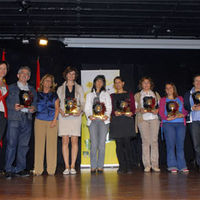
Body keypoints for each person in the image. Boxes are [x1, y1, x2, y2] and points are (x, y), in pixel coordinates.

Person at [5, 66, 37, 179]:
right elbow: (3, 103)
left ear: (29, 77)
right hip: (14, 119)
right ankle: (8, 169)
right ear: (18, 75)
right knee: (11, 144)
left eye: (27, 74)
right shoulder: (10, 88)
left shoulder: (32, 90)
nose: (25, 75)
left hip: (27, 119)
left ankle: (20, 168)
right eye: (22, 73)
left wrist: (33, 108)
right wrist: (12, 107)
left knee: (24, 146)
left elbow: (36, 104)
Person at [57, 66, 85, 175]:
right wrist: (60, 111)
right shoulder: (60, 88)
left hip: (75, 117)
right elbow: (57, 104)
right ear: (66, 75)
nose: (71, 76)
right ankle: (66, 166)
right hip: (64, 117)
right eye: (69, 73)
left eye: (73, 74)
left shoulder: (79, 88)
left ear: (75, 76)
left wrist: (80, 111)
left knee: (74, 141)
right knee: (64, 141)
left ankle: (72, 166)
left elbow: (83, 103)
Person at [85, 75, 112, 173]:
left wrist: (107, 115)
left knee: (101, 145)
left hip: (103, 121)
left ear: (103, 83)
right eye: (97, 81)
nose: (99, 83)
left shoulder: (106, 94)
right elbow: (87, 108)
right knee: (94, 145)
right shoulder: (89, 95)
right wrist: (89, 116)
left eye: (101, 81)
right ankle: (93, 166)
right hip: (92, 121)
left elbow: (109, 107)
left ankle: (100, 166)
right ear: (94, 82)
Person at [159, 83, 189, 173]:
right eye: (167, 88)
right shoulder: (163, 100)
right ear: (165, 90)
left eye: (170, 88)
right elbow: (161, 113)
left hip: (180, 123)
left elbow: (185, 111)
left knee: (180, 145)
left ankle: (182, 165)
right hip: (168, 124)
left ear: (174, 89)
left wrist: (182, 114)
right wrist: (166, 118)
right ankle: (172, 165)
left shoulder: (180, 99)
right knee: (170, 145)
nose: (168, 89)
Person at [109, 76, 136, 174]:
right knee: (119, 145)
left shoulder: (129, 94)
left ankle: (129, 166)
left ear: (123, 83)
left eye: (119, 82)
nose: (118, 84)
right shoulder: (112, 96)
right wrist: (113, 113)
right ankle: (122, 166)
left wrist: (131, 113)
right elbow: (110, 109)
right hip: (117, 122)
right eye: (116, 83)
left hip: (127, 121)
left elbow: (133, 108)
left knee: (128, 144)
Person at [34, 74, 59, 176]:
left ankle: (51, 170)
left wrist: (54, 120)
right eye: (46, 81)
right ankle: (38, 169)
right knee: (39, 145)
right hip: (39, 120)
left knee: (51, 146)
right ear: (42, 82)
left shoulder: (54, 95)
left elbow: (57, 108)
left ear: (52, 84)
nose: (48, 83)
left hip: (52, 121)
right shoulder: (36, 94)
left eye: (50, 81)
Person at [134, 76, 160, 172]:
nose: (146, 84)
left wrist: (157, 110)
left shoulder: (155, 94)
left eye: (148, 83)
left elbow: (160, 107)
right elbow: (134, 109)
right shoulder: (137, 95)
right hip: (143, 119)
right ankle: (147, 165)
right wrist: (140, 110)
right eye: (144, 83)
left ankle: (155, 164)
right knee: (145, 142)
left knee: (154, 141)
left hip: (154, 119)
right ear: (141, 84)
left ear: (151, 84)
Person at [184, 74, 200, 170]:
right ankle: (199, 163)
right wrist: (191, 108)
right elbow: (185, 106)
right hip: (193, 121)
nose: (198, 83)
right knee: (196, 144)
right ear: (193, 82)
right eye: (196, 81)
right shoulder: (188, 94)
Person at [0, 61, 9, 141]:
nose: (3, 70)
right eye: (1, 68)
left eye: (5, 69)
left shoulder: (5, 85)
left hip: (3, 114)